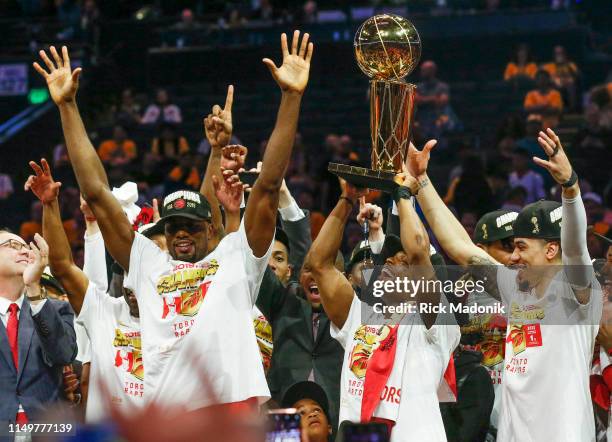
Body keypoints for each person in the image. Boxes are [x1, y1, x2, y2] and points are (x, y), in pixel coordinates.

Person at [34, 34, 314, 411]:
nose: (181, 232)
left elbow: (267, 187)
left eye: (192, 225)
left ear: (211, 229)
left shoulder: (234, 258)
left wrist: (291, 98)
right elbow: (98, 194)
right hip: (166, 418)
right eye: (172, 226)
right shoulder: (148, 262)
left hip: (229, 413)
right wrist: (67, 106)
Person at [407, 129, 601, 441]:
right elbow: (462, 247)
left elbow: (576, 246)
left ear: (551, 250)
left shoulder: (577, 291)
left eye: (522, 247)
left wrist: (570, 188)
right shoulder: (517, 291)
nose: (512, 257)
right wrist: (422, 183)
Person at [309, 173, 460, 441]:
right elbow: (319, 264)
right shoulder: (359, 315)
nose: (389, 264)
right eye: (388, 259)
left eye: (400, 262)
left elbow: (418, 253)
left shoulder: (434, 321)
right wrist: (347, 198)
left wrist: (402, 194)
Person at [24, 158, 145, 422]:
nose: (135, 286)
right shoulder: (107, 312)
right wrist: (50, 205)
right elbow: (64, 268)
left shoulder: (181, 314)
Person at [0, 228, 77, 425]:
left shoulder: (58, 309)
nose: (25, 251)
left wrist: (34, 288)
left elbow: (63, 355)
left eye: (26, 247)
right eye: (12, 245)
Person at [543, 45, 580, 110]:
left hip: (568, 85)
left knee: (571, 87)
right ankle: (556, 109)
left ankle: (572, 110)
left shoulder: (570, 65)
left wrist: (566, 64)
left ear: (565, 54)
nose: (559, 55)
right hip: (554, 86)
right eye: (557, 53)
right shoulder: (548, 66)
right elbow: (542, 76)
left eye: (561, 53)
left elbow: (577, 76)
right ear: (553, 55)